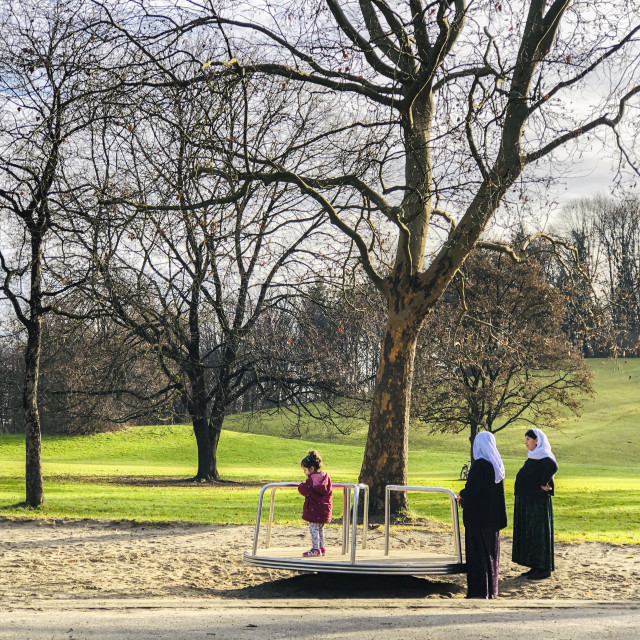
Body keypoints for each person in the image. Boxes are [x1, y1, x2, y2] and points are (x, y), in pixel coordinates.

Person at [457, 431, 508, 599]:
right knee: (491, 555)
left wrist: (461, 494)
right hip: (493, 519)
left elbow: (473, 490)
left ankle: (479, 591)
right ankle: (491, 590)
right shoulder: (497, 466)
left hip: (478, 519)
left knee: (478, 555)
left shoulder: (480, 465)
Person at [512, 428, 558, 580]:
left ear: (537, 440)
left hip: (537, 503)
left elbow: (553, 466)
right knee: (531, 534)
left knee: (538, 533)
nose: (525, 443)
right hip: (529, 501)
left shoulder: (543, 455)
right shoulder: (534, 456)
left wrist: (542, 483)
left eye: (528, 440)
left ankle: (543, 568)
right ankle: (535, 566)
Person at [298, 449, 333, 557]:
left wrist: (301, 484)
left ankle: (315, 548)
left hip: (314, 509)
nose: (305, 473)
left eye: (305, 470)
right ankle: (321, 547)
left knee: (313, 529)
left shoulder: (311, 480)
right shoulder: (325, 478)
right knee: (321, 529)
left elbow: (303, 490)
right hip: (324, 509)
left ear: (311, 469)